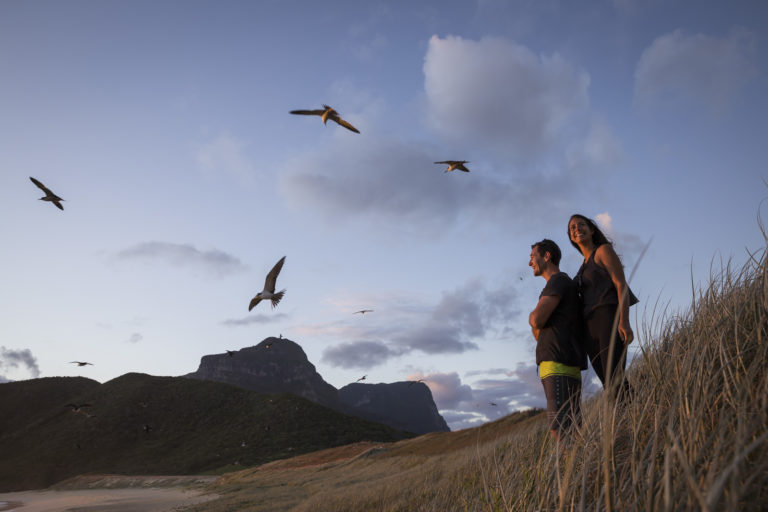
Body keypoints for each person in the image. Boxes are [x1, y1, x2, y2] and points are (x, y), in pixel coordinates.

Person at [568, 214, 637, 400]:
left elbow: (620, 284)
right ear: (571, 238)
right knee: (609, 384)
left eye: (581, 225)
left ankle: (641, 411)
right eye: (572, 228)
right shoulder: (582, 268)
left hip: (608, 318)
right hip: (590, 330)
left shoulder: (603, 251)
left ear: (591, 229)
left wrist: (624, 321)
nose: (577, 229)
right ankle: (631, 416)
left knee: (615, 378)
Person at [528, 239, 586, 440]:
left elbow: (537, 320)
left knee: (560, 428)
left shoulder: (559, 281)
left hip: (558, 364)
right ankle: (581, 467)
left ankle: (572, 470)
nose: (529, 263)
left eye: (532, 257)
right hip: (557, 363)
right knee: (569, 427)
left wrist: (532, 318)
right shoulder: (558, 283)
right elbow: (538, 331)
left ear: (547, 256)